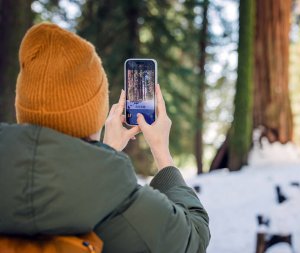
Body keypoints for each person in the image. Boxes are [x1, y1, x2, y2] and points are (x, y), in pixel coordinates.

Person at [0, 23, 210, 253]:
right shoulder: (122, 203)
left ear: (22, 106)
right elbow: (194, 239)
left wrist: (105, 149)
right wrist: (161, 151)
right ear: (95, 115)